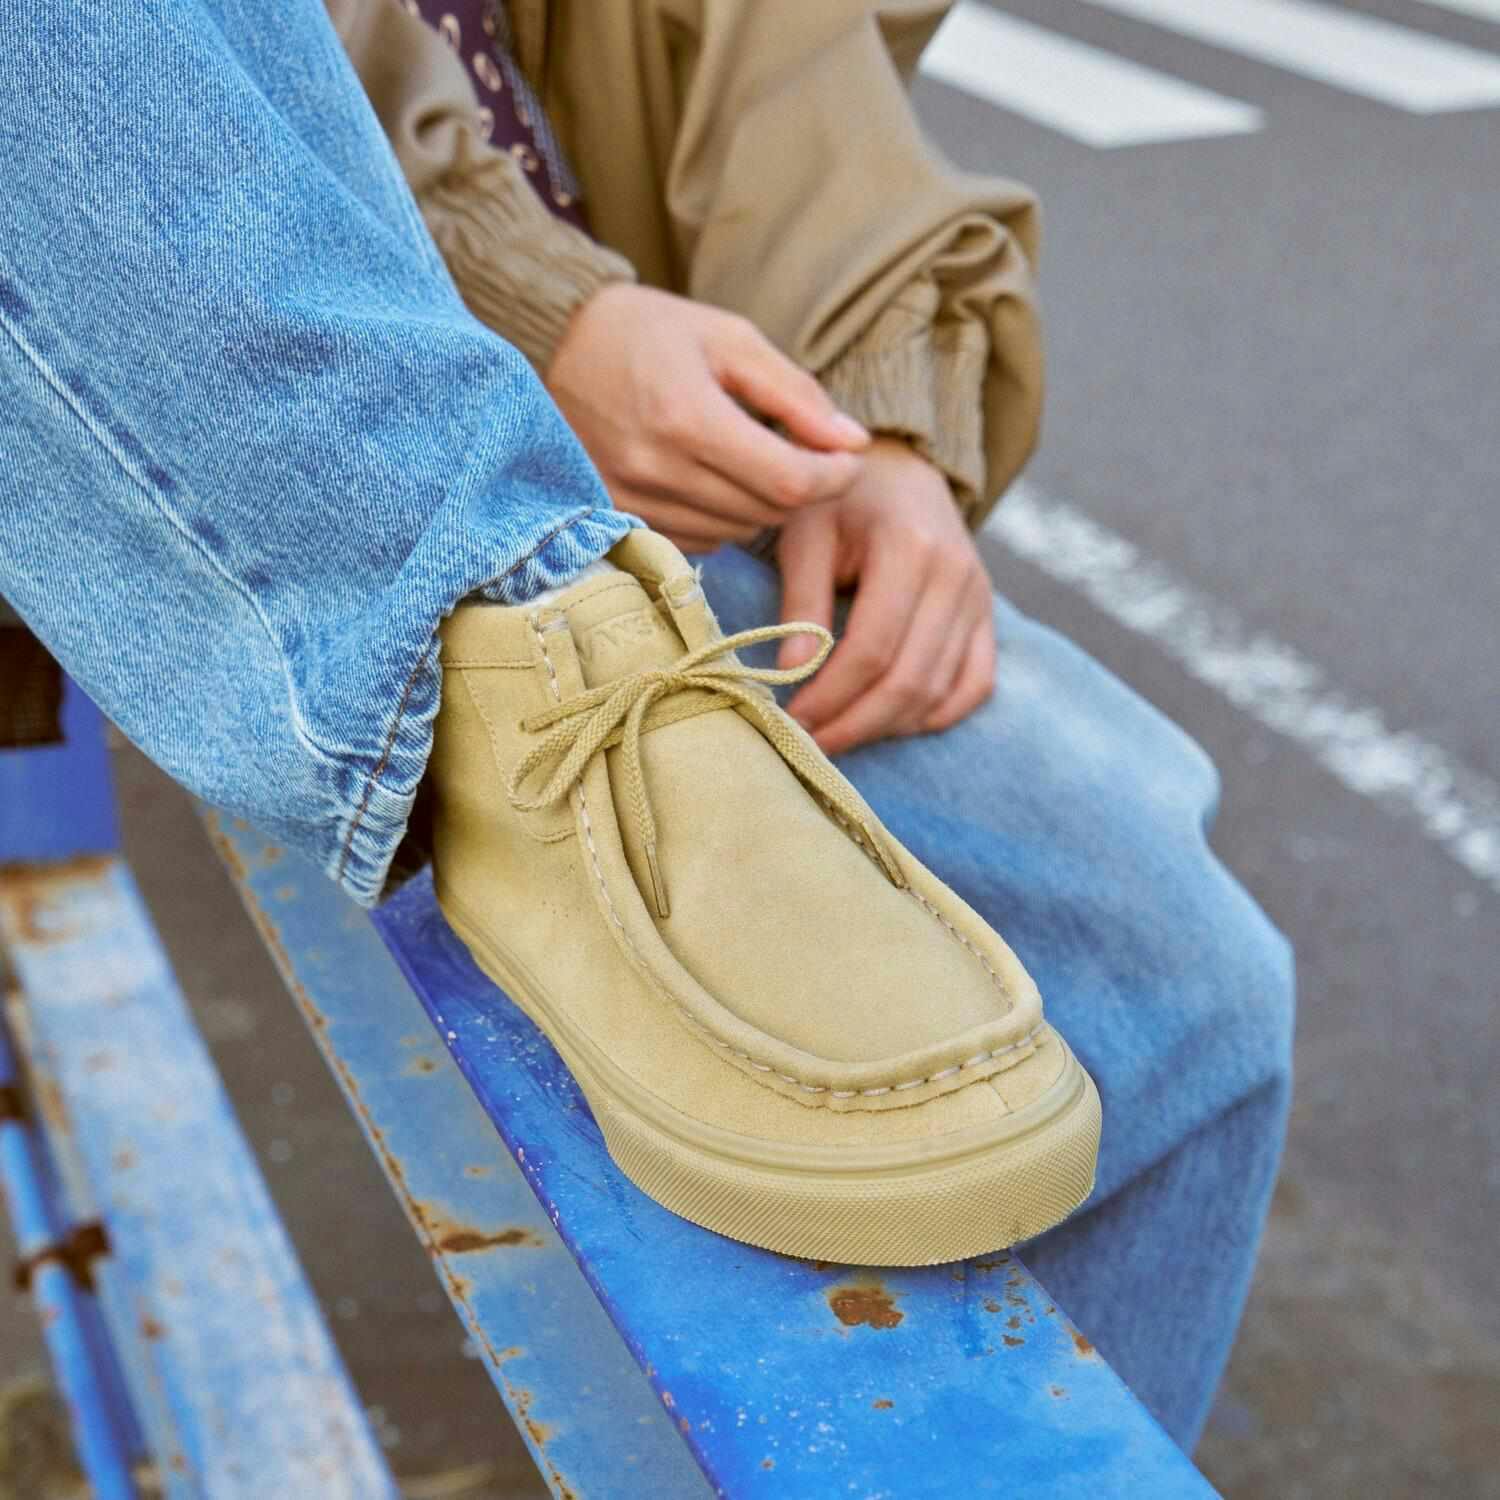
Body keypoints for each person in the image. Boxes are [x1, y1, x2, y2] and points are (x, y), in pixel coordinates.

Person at [0, 0, 1292, 1454]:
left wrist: (876, 419)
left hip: (622, 506)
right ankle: (491, 651)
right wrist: (544, 311)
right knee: (1151, 971)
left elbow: (783, 72)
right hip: (341, 473)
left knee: (1188, 988)